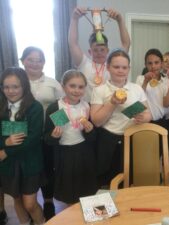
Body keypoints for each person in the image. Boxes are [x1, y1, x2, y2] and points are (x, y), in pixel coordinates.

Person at [90, 49, 152, 186]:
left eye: (124, 67)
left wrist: (144, 118)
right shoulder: (99, 90)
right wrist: (112, 103)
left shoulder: (136, 89)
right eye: (116, 67)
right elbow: (96, 121)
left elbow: (148, 114)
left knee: (130, 181)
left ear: (129, 69)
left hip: (133, 139)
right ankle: (105, 208)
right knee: (106, 183)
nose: (120, 70)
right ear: (108, 67)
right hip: (107, 141)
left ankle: (127, 207)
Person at [20, 46, 64, 221]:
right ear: (23, 61)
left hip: (47, 135)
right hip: (24, 135)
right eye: (30, 59)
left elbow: (62, 106)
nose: (35, 63)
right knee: (27, 170)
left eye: (39, 60)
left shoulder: (52, 83)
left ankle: (48, 202)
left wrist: (60, 129)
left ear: (44, 62)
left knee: (47, 169)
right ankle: (27, 205)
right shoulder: (17, 82)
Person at [44, 70, 98, 205]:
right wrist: (54, 136)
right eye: (72, 86)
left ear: (85, 88)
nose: (76, 90)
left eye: (80, 87)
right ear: (63, 86)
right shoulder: (55, 107)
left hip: (84, 153)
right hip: (64, 154)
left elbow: (93, 138)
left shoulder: (87, 106)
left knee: (85, 188)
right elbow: (47, 139)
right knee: (69, 190)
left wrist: (90, 130)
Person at [0, 67, 45, 225]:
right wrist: (4, 142)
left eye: (15, 86)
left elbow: (32, 139)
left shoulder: (35, 108)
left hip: (29, 162)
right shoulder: (1, 107)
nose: (10, 91)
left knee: (30, 203)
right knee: (16, 198)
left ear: (24, 86)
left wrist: (6, 150)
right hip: (8, 165)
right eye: (6, 87)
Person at [68, 6, 130, 102]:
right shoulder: (83, 63)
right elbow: (73, 43)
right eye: (95, 50)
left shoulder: (113, 64)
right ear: (90, 51)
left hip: (108, 107)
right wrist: (74, 19)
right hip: (86, 107)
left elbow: (126, 44)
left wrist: (120, 20)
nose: (99, 53)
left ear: (107, 50)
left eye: (102, 49)